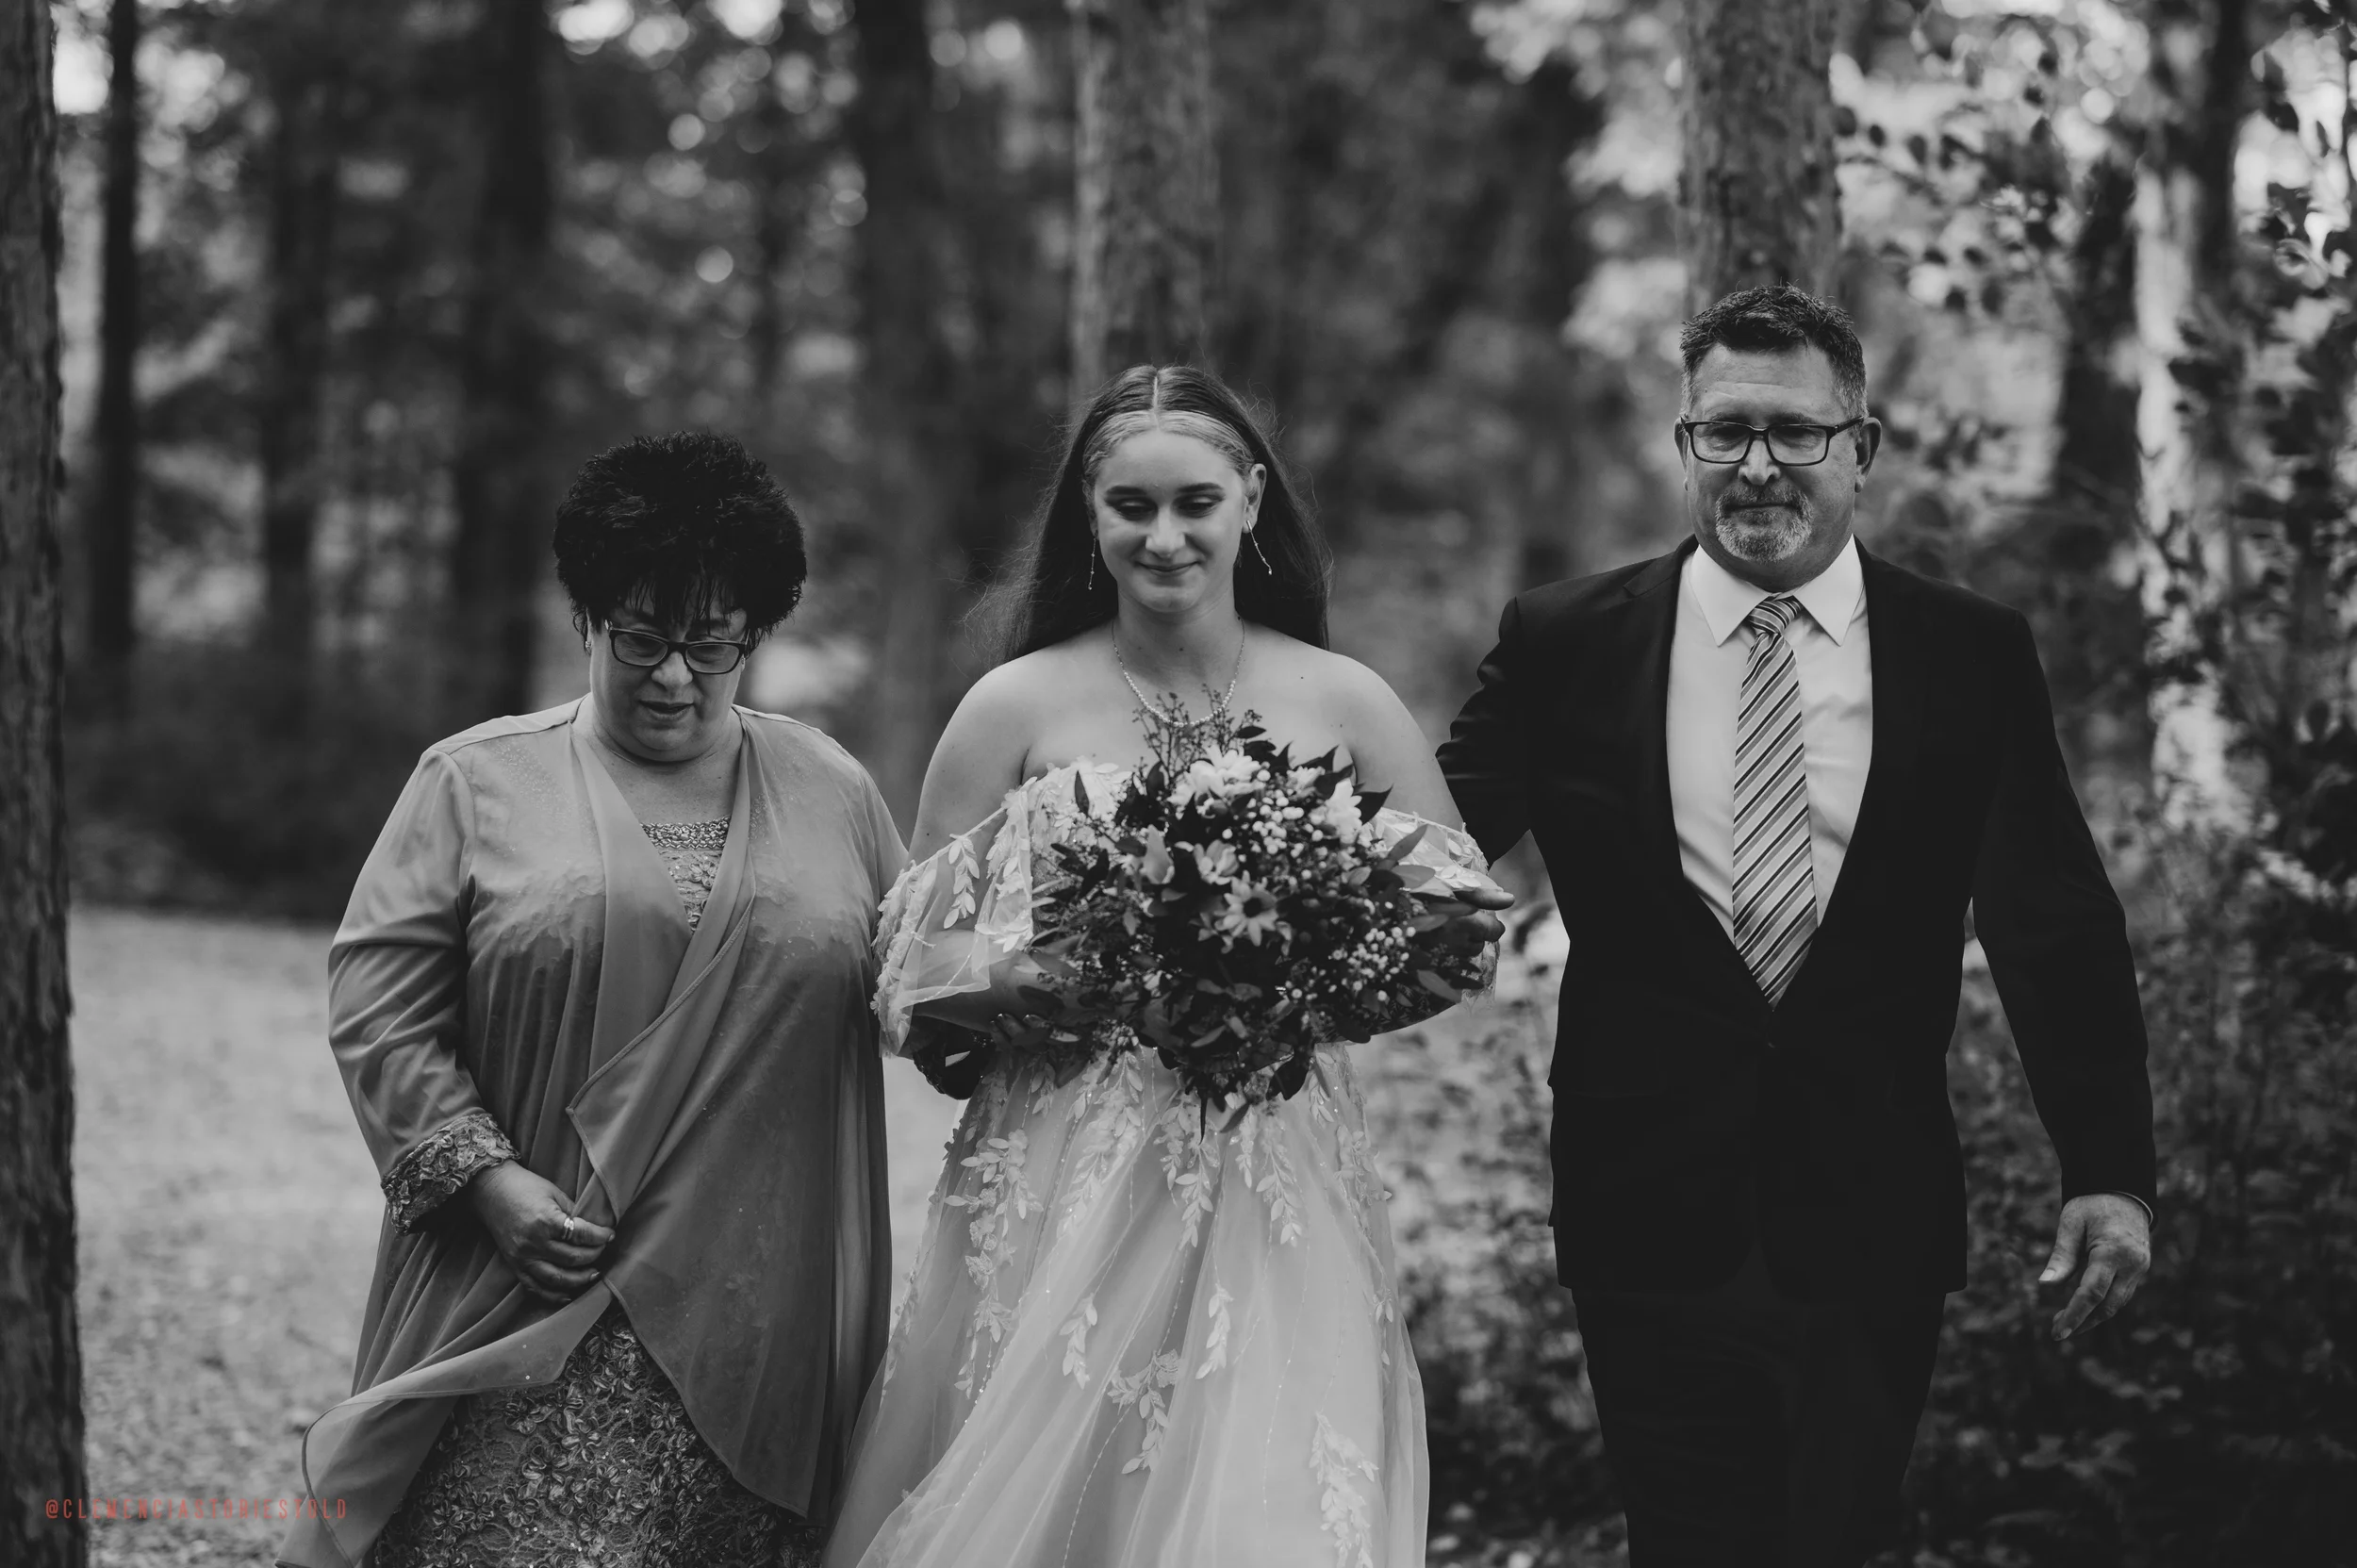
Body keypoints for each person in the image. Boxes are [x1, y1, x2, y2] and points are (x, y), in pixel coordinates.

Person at [1439, 284, 2157, 1566]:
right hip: (1646, 1200)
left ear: (1861, 447)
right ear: (1685, 445)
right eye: (1724, 430)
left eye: (1795, 431)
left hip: (1870, 1204)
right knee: (1689, 1539)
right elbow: (1427, 850)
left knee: (1836, 1536)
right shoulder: (1565, 644)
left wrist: (2107, 1163)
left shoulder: (1970, 653)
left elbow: (2051, 913)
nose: (1757, 463)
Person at [822, 365, 1508, 1568]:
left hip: (1275, 1163)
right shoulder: (1011, 705)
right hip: (1055, 1172)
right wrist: (1049, 985)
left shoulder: (1344, 700)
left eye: (1194, 501)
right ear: (1088, 516)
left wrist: (1301, 984)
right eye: (1130, 506)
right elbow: (900, 962)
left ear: (1250, 498)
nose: (1164, 534)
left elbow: (1459, 930)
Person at [277, 433, 904, 1568]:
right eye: (643, 638)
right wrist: (485, 1179)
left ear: (757, 635)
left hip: (754, 1315)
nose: (675, 677)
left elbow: (916, 983)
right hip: (524, 1295)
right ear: (586, 619)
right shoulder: (473, 781)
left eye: (713, 646)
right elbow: (379, 1006)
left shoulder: (835, 790)